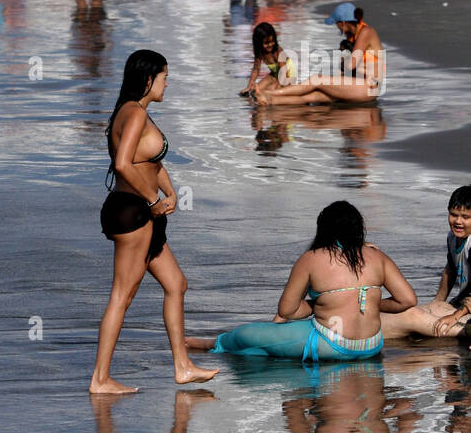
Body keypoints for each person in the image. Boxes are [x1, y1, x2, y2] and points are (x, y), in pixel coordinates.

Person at [90, 50, 218, 393]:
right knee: (122, 295)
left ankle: (183, 366)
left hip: (142, 210)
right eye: (164, 77)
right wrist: (152, 201)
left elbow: (151, 163)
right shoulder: (133, 114)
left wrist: (171, 193)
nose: (167, 83)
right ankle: (100, 379)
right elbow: (122, 164)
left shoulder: (138, 114)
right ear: (148, 80)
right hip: (132, 211)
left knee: (176, 284)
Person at [188, 202, 416, 363]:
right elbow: (407, 300)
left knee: (246, 335)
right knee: (265, 348)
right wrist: (371, 302)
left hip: (330, 345)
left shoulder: (311, 259)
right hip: (371, 346)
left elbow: (287, 310)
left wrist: (322, 304)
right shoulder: (378, 256)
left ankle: (211, 344)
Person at [380, 186, 471, 342]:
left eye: (465, 217)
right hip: (464, 302)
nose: (458, 221)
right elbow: (450, 270)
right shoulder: (452, 238)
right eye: (454, 215)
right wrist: (437, 302)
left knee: (415, 318)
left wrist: (455, 316)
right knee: (429, 310)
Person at [254, 3, 384, 106]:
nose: (337, 28)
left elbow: (351, 65)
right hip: (359, 85)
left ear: (343, 23)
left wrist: (344, 59)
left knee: (317, 79)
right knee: (314, 95)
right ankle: (269, 101)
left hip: (369, 87)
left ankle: (271, 93)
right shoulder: (353, 38)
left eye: (337, 24)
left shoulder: (366, 32)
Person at [240, 21, 296, 97]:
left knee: (269, 91)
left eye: (272, 41)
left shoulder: (277, 51)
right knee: (254, 91)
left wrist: (279, 87)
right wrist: (249, 87)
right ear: (259, 43)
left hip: (288, 76)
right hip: (274, 75)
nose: (270, 45)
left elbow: (284, 71)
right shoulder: (260, 52)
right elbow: (256, 70)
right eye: (266, 43)